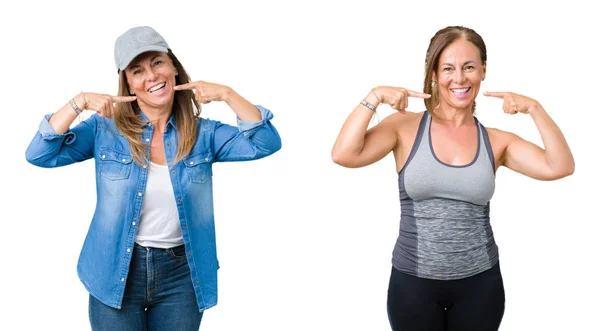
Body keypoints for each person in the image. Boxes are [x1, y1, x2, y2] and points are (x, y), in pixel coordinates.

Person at [25, 26, 281, 330]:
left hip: (181, 278)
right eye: (138, 70)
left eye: (157, 63)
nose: (151, 76)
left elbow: (265, 142)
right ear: (128, 84)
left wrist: (227, 93)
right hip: (115, 270)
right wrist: (78, 102)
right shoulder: (104, 129)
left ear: (173, 67)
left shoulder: (204, 134)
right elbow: (40, 153)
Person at [331, 25, 574, 331]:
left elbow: (560, 166)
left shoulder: (496, 141)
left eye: (469, 67)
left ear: (483, 70)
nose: (459, 78)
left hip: (480, 284)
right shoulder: (404, 127)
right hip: (412, 284)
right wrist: (374, 97)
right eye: (448, 68)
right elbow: (344, 154)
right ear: (433, 74)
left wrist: (535, 109)